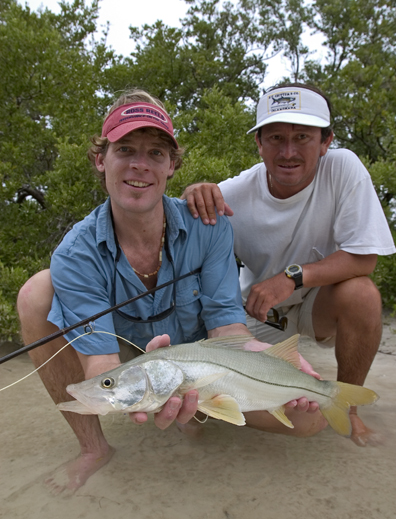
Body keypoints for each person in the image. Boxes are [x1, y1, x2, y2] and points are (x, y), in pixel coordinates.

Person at [17, 88, 323, 494]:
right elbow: (101, 364)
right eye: (125, 149)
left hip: (203, 360)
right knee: (36, 291)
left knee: (310, 422)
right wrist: (121, 386)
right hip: (127, 356)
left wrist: (269, 359)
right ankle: (93, 447)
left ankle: (199, 418)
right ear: (99, 159)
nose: (140, 165)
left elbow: (227, 329)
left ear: (172, 165)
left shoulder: (208, 225)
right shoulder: (76, 252)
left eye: (156, 153)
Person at [182, 82, 396, 447]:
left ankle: (348, 410)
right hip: (259, 314)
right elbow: (177, 238)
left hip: (319, 304)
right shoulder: (232, 195)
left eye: (302, 137)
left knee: (362, 294)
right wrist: (190, 195)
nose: (288, 152)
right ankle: (201, 412)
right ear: (259, 144)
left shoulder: (343, 168)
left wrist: (291, 278)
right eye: (276, 138)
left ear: (326, 142)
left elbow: (365, 256)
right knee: (210, 383)